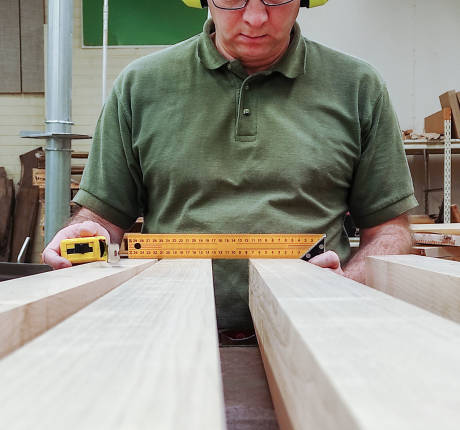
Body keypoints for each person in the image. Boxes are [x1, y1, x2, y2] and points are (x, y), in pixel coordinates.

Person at [43, 0, 415, 330]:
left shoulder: (357, 86)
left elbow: (390, 231)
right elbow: (104, 218)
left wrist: (346, 287)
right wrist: (85, 231)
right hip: (167, 330)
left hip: (318, 331)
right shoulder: (140, 86)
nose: (255, 17)